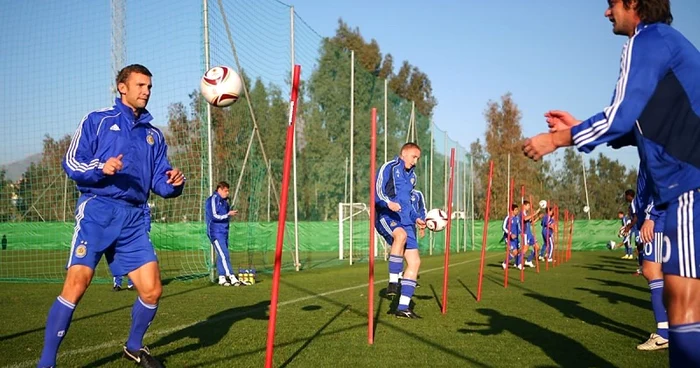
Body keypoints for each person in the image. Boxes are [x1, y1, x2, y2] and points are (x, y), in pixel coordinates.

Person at [522, 1, 700, 365]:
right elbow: (637, 126)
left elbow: (619, 118)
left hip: (689, 185)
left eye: (612, 3)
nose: (607, 13)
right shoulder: (670, 43)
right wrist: (576, 127)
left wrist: (557, 140)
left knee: (683, 303)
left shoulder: (646, 40)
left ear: (634, 4)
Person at [37, 64, 185, 368]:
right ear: (122, 87)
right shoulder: (98, 121)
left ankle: (133, 347)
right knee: (77, 283)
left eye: (149, 87)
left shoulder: (154, 135)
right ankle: (46, 363)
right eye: (141, 85)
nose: (146, 91)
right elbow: (71, 162)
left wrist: (172, 185)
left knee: (153, 290)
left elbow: (158, 179)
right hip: (98, 210)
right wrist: (100, 168)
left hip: (133, 218)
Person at [375, 142, 425, 318]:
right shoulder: (389, 167)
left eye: (417, 158)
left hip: (406, 222)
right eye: (414, 157)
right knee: (400, 235)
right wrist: (388, 203)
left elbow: (410, 206)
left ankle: (402, 308)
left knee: (415, 263)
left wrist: (417, 218)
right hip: (387, 216)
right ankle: (393, 282)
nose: (415, 161)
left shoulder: (412, 177)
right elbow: (378, 191)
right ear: (404, 154)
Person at [635, 163, 669, 350]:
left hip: (659, 219)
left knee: (651, 271)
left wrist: (650, 217)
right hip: (662, 216)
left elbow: (660, 181)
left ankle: (664, 333)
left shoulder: (654, 142)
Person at [205, 181, 248, 287]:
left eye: (228, 191)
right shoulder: (213, 199)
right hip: (215, 232)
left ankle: (222, 277)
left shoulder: (225, 202)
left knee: (222, 255)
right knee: (225, 254)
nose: (227, 193)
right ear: (219, 189)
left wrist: (229, 213)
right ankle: (232, 277)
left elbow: (226, 215)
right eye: (225, 191)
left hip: (224, 231)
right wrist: (227, 214)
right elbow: (214, 216)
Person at [501, 204, 523, 270]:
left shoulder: (517, 218)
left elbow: (518, 227)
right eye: (515, 210)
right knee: (514, 252)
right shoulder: (508, 218)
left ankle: (518, 264)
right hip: (509, 238)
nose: (517, 211)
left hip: (516, 238)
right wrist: (510, 234)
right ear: (511, 210)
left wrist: (521, 232)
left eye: (517, 210)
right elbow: (503, 227)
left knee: (519, 250)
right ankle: (505, 263)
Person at [521, 200, 541, 268]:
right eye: (528, 205)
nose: (529, 207)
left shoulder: (526, 213)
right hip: (525, 233)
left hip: (530, 233)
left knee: (537, 247)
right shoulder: (522, 213)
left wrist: (537, 218)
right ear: (524, 205)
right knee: (525, 249)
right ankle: (518, 262)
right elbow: (525, 219)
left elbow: (531, 223)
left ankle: (528, 260)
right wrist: (534, 214)